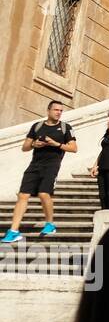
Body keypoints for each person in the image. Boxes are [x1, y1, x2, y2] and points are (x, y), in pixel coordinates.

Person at [4, 100, 77, 243]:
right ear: (48, 110)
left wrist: (56, 144)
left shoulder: (66, 127)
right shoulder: (37, 126)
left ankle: (50, 224)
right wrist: (34, 144)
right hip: (34, 165)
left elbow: (74, 148)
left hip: (52, 165)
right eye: (56, 110)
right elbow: (24, 147)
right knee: (23, 195)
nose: (59, 112)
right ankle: (13, 231)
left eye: (61, 110)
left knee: (44, 193)